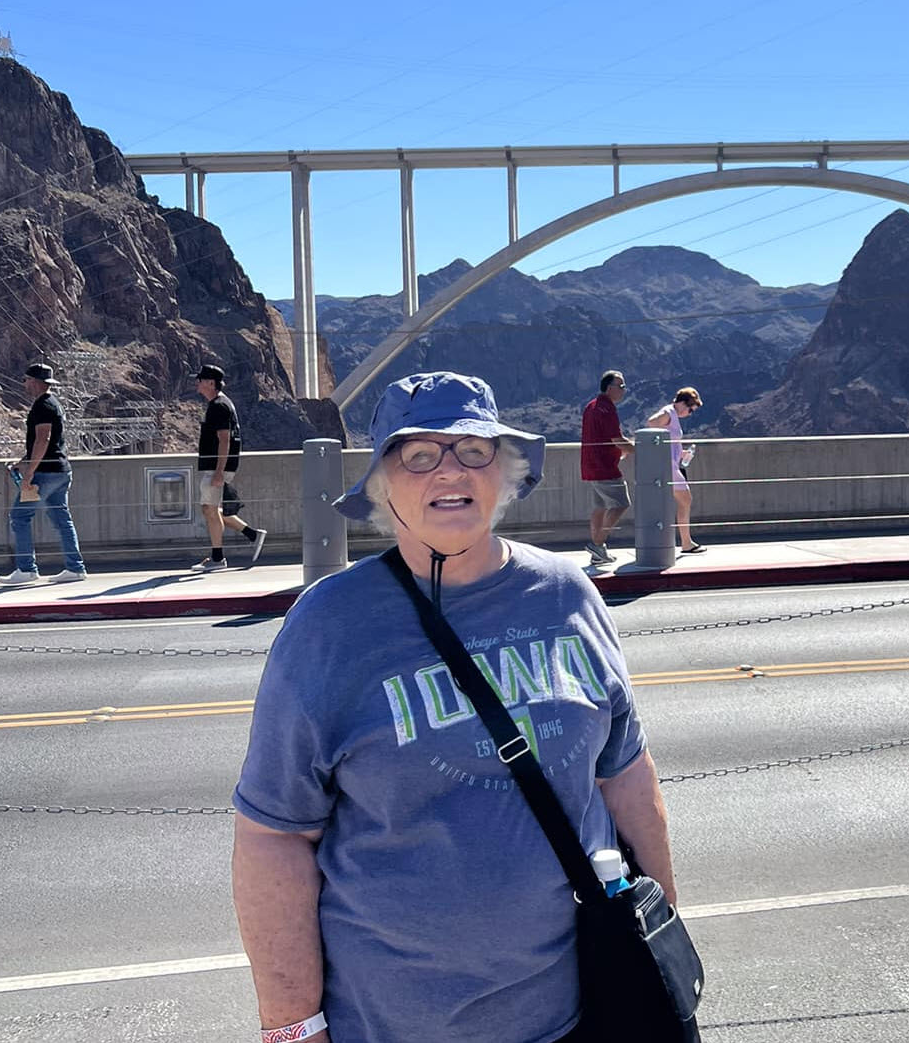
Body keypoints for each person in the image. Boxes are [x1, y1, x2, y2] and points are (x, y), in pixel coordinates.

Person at [231, 371, 678, 1043]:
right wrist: (292, 1028)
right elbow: (275, 837)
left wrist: (662, 940)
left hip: (584, 1014)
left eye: (473, 448)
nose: (450, 469)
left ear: (504, 471)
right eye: (417, 454)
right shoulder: (328, 626)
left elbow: (625, 776)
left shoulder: (568, 595)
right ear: (381, 485)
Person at [0, 362, 87, 585]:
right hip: (60, 471)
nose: (24, 384)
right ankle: (75, 568)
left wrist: (29, 473)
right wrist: (23, 462)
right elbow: (47, 443)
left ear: (36, 382)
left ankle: (27, 569)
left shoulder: (42, 407)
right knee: (61, 519)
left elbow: (43, 439)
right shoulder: (52, 403)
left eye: (26, 380)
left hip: (45, 473)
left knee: (20, 517)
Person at [191, 364, 267, 572]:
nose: (197, 383)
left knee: (209, 509)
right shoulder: (220, 404)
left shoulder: (219, 406)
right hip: (217, 465)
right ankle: (252, 534)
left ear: (210, 383)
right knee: (213, 508)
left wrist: (218, 472)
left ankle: (217, 559)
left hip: (217, 466)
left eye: (200, 380)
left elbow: (224, 440)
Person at [579, 369, 633, 565]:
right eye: (621, 386)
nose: (624, 390)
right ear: (610, 388)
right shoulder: (607, 409)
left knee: (600, 506)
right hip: (605, 468)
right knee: (621, 504)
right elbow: (617, 439)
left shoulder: (591, 406)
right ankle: (597, 543)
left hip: (590, 467)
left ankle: (598, 551)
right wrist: (640, 451)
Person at [647, 386, 705, 554]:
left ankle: (685, 542)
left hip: (670, 463)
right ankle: (686, 543)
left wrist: (681, 453)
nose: (689, 414)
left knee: (682, 501)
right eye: (690, 409)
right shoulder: (668, 413)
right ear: (682, 403)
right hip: (667, 466)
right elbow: (652, 423)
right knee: (685, 499)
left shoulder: (672, 414)